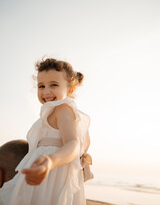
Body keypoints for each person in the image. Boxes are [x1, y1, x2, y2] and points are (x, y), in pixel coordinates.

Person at [0, 57, 92, 205]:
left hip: (51, 173)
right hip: (42, 171)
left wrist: (50, 161)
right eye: (41, 86)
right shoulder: (53, 112)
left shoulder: (63, 109)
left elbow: (73, 143)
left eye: (54, 85)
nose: (46, 91)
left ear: (70, 90)